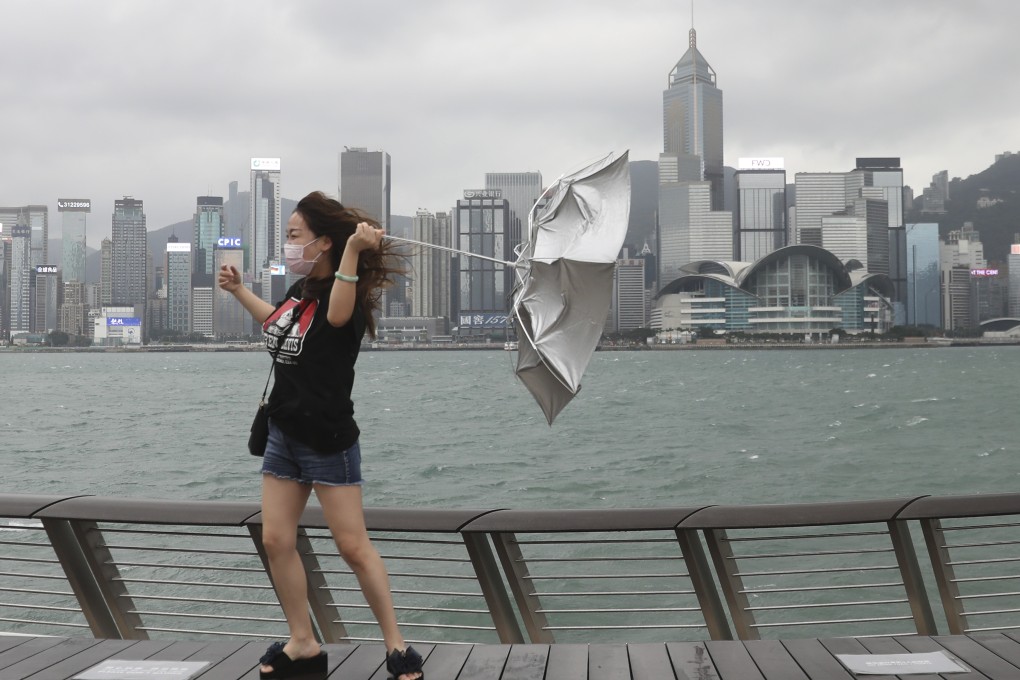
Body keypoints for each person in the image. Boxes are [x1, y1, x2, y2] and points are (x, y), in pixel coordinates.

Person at [218, 191, 423, 680]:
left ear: (323, 242)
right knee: (276, 540)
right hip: (284, 432)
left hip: (328, 438)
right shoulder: (300, 290)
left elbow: (334, 317)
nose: (288, 244)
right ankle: (303, 640)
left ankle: (396, 646)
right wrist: (238, 291)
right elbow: (278, 327)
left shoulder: (342, 296)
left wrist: (353, 251)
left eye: (294, 236)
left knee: (353, 546)